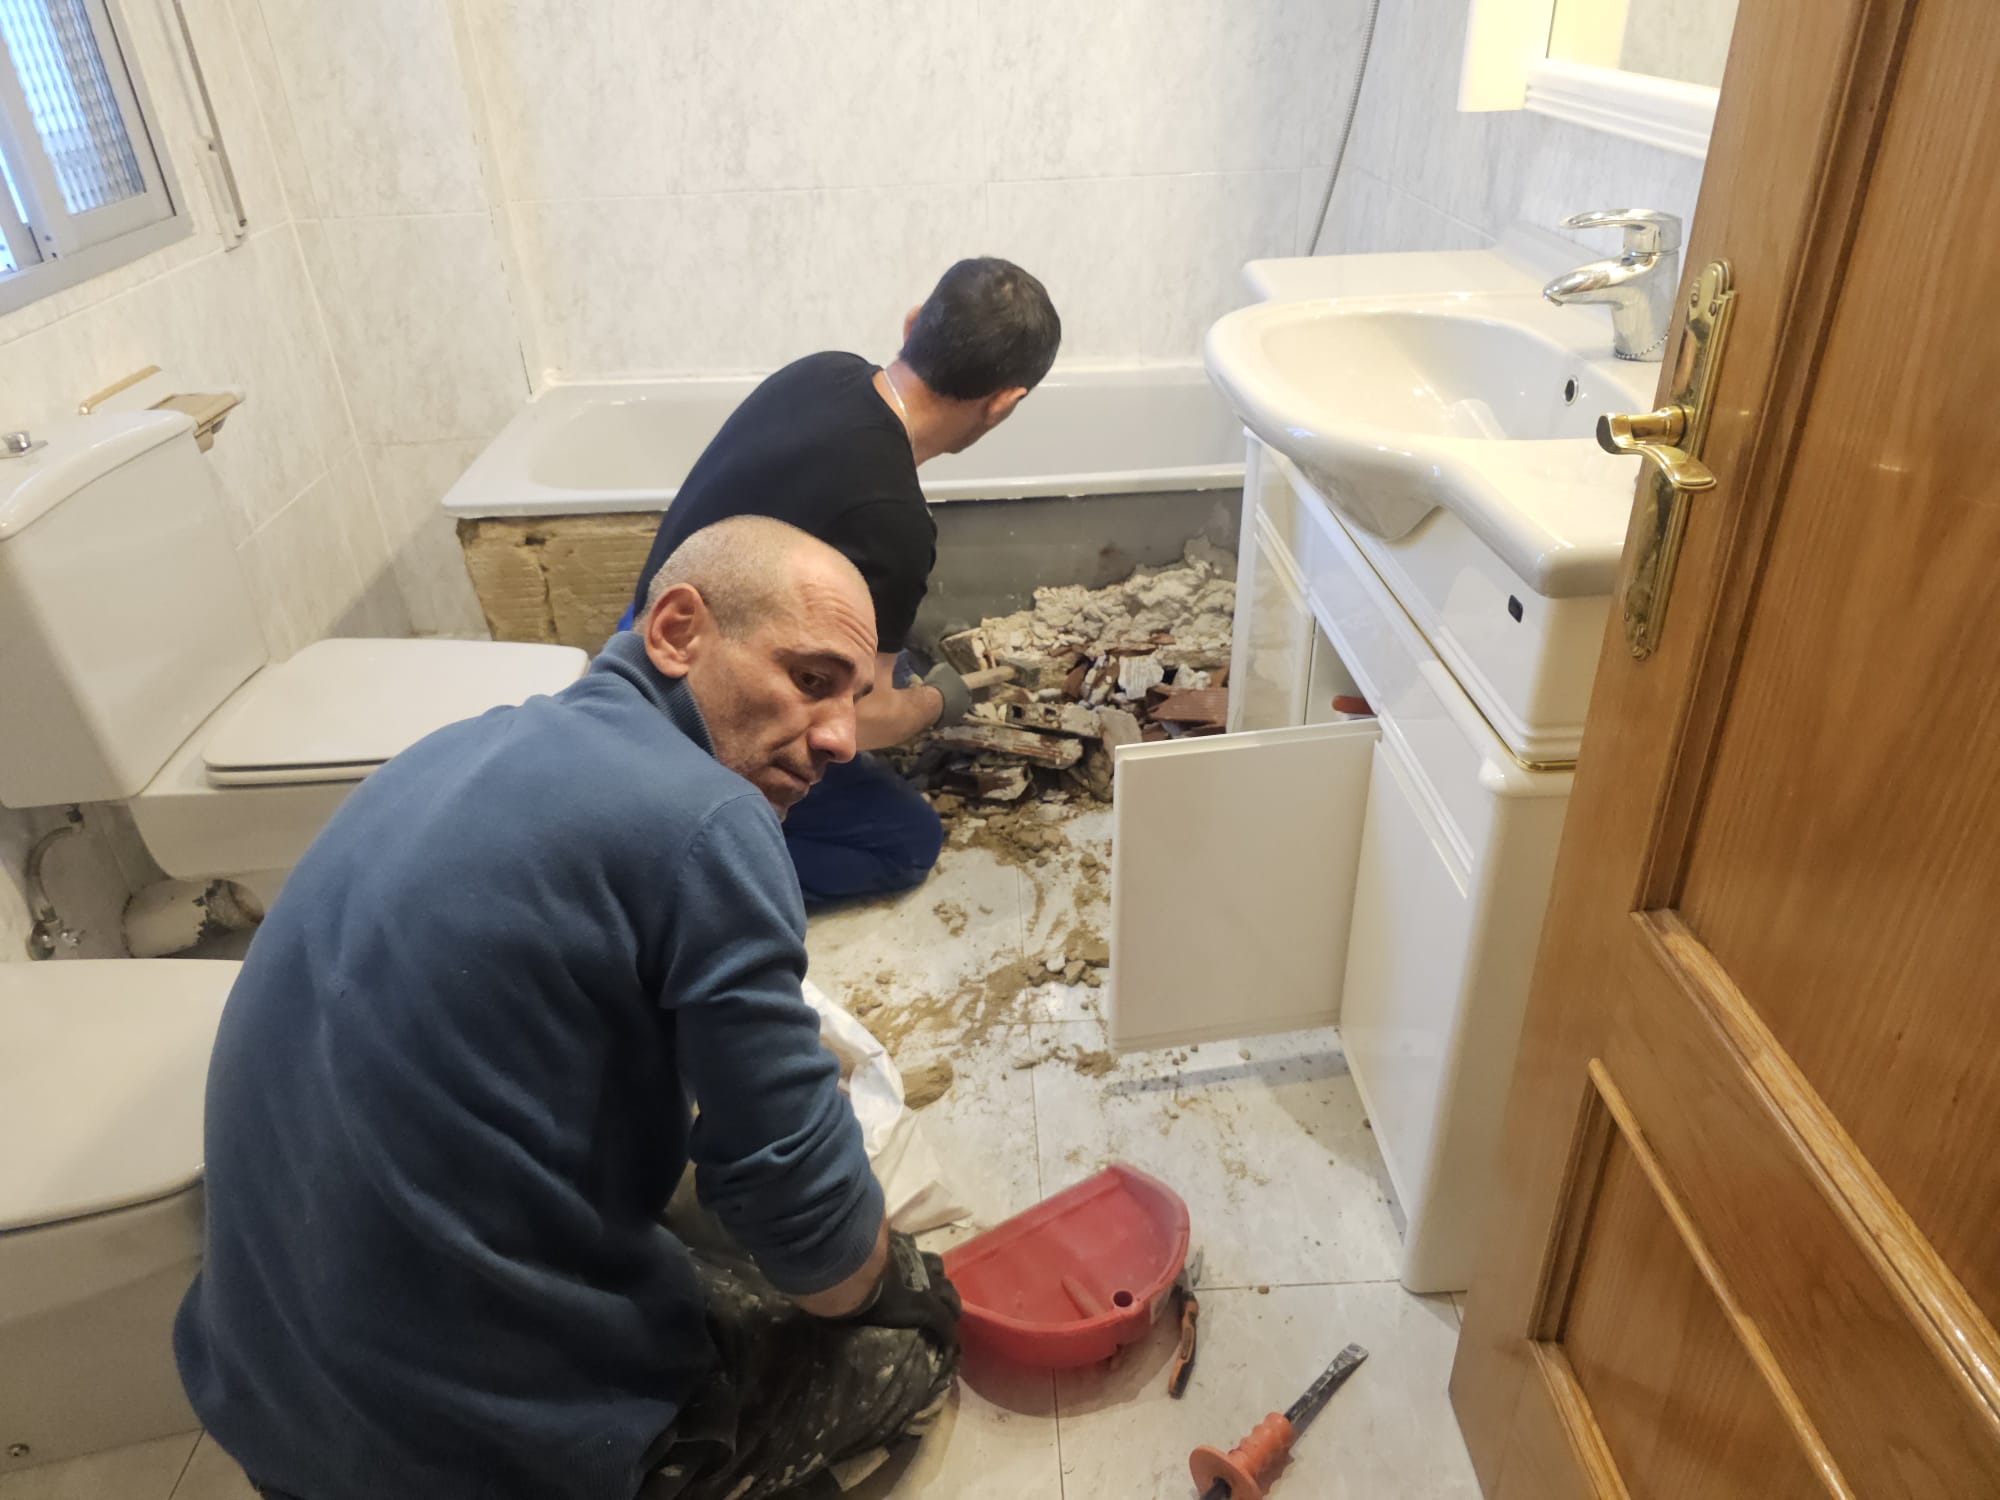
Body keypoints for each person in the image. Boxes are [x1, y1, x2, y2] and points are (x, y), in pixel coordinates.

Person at [175, 517, 963, 1500]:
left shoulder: (453, 749)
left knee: (686, 1227)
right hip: (448, 1465)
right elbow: (806, 1224)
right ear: (676, 630)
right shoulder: (708, 820)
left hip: (265, 1398)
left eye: (854, 696)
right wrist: (890, 1279)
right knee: (901, 1335)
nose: (842, 737)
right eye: (810, 679)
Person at [619, 257, 1062, 909]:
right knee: (904, 843)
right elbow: (863, 720)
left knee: (890, 663)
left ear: (914, 324)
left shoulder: (821, 372)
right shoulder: (893, 520)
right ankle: (668, 875)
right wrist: (936, 704)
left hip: (649, 633)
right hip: (692, 720)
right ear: (1004, 403)